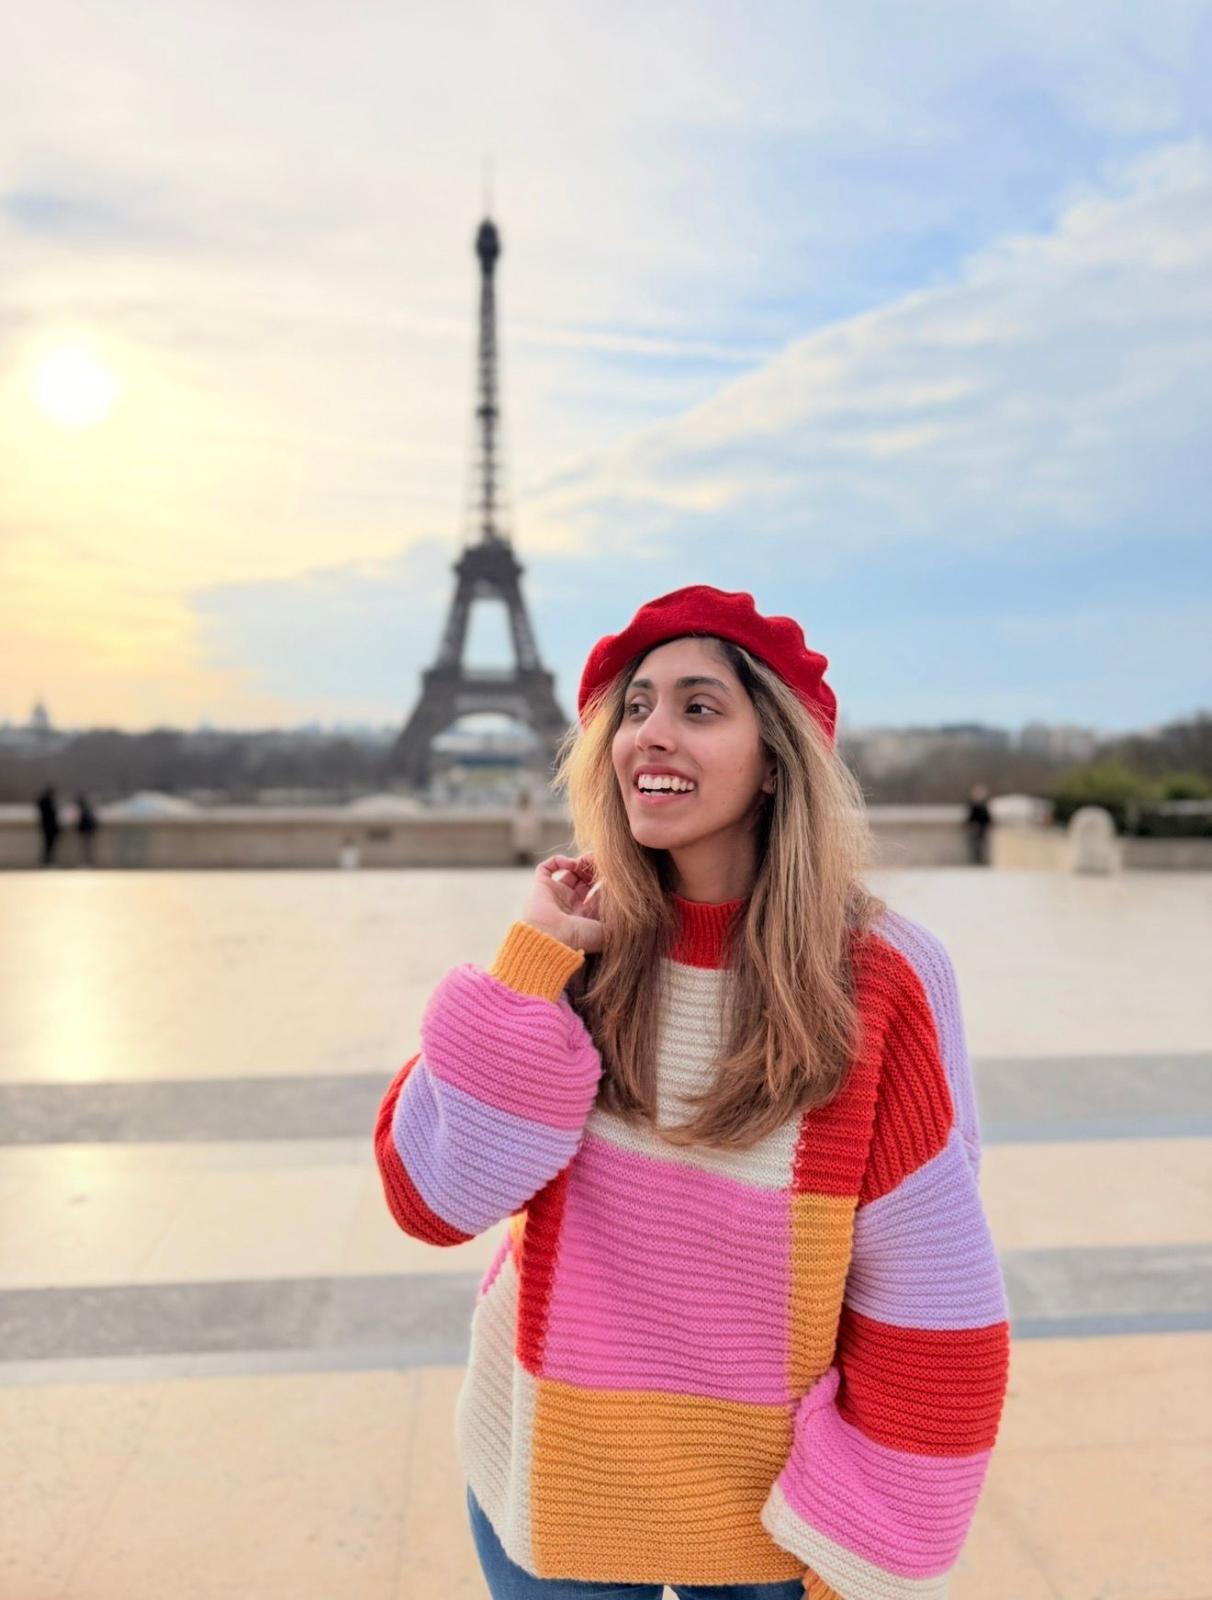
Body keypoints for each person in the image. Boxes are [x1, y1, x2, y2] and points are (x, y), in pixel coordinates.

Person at [374, 585, 1010, 1600]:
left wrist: (862, 1554)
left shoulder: (883, 977)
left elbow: (931, 1299)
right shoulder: (577, 945)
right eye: (634, 706)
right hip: (544, 1478)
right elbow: (431, 1200)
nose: (650, 734)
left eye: (699, 707)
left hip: (765, 1523)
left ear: (775, 760)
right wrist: (527, 970)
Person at [964, 783, 993, 866]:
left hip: (982, 827)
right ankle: (977, 860)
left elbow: (987, 817)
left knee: (982, 844)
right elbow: (970, 816)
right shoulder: (974, 804)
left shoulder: (984, 805)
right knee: (976, 844)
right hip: (976, 827)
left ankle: (980, 860)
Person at [36, 785, 60, 867]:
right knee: (49, 845)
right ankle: (47, 861)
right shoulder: (47, 802)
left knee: (48, 845)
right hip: (49, 827)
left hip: (46, 826)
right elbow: (51, 814)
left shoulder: (43, 802)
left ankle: (47, 861)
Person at [76, 792, 99, 866]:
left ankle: (87, 862)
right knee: (87, 847)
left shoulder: (84, 810)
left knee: (86, 847)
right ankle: (87, 862)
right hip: (87, 830)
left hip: (86, 831)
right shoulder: (86, 809)